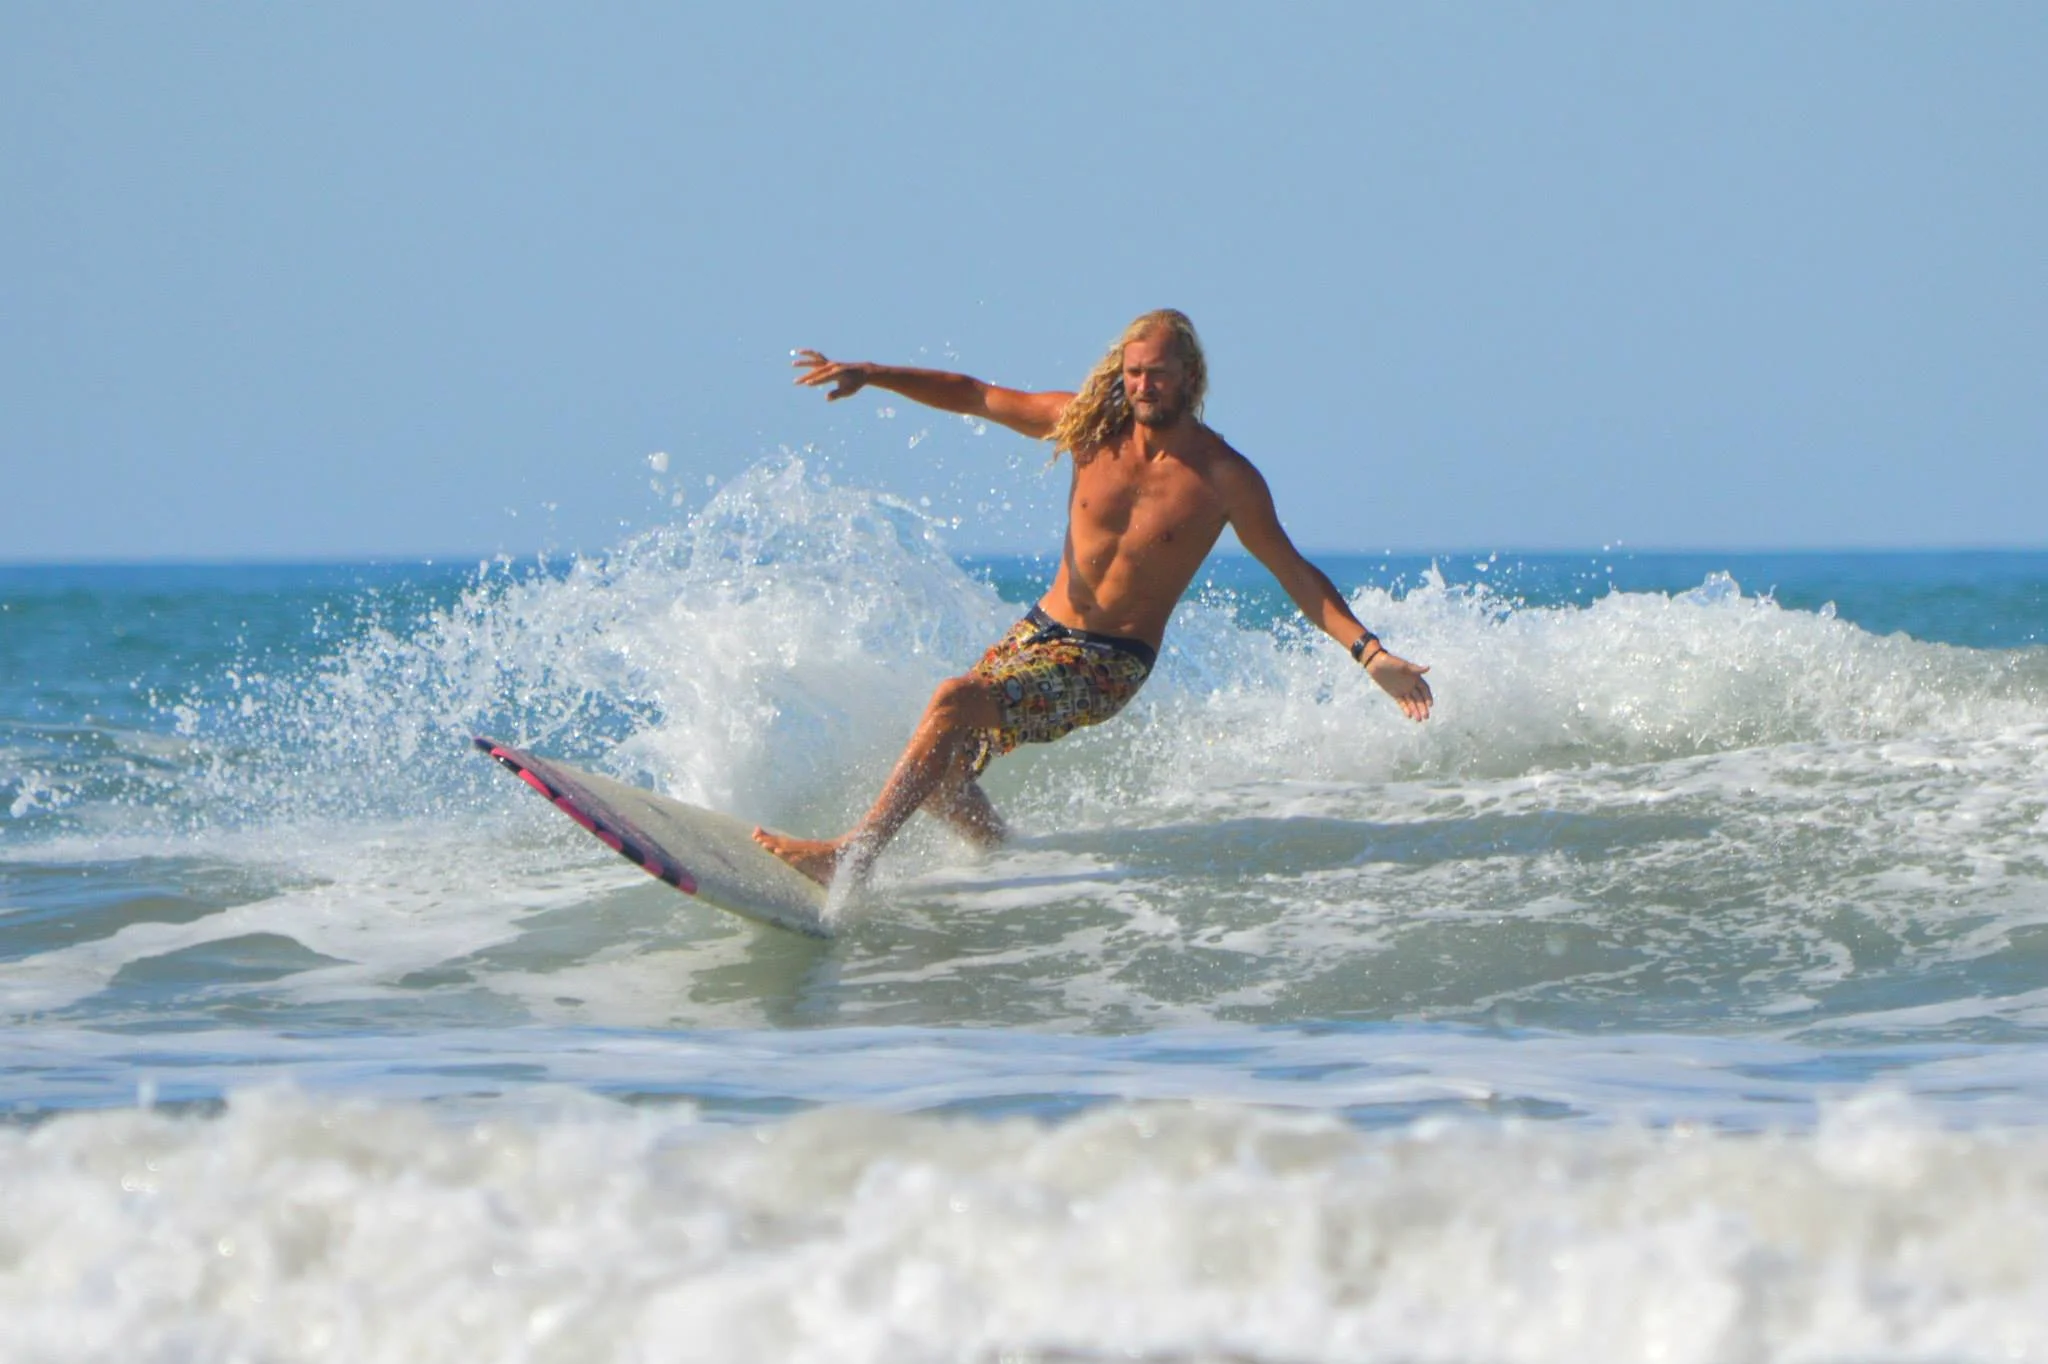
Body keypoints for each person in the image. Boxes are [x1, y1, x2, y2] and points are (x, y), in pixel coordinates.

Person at [753, 309, 1433, 887]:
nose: (1143, 385)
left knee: (951, 702)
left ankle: (853, 856)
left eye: (1158, 373)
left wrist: (1369, 653)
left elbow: (1293, 571)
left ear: (1189, 379)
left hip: (1110, 664)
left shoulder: (1225, 479)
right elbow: (975, 395)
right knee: (939, 772)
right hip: (1040, 633)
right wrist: (874, 374)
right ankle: (1004, 860)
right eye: (1134, 372)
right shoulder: (1084, 429)